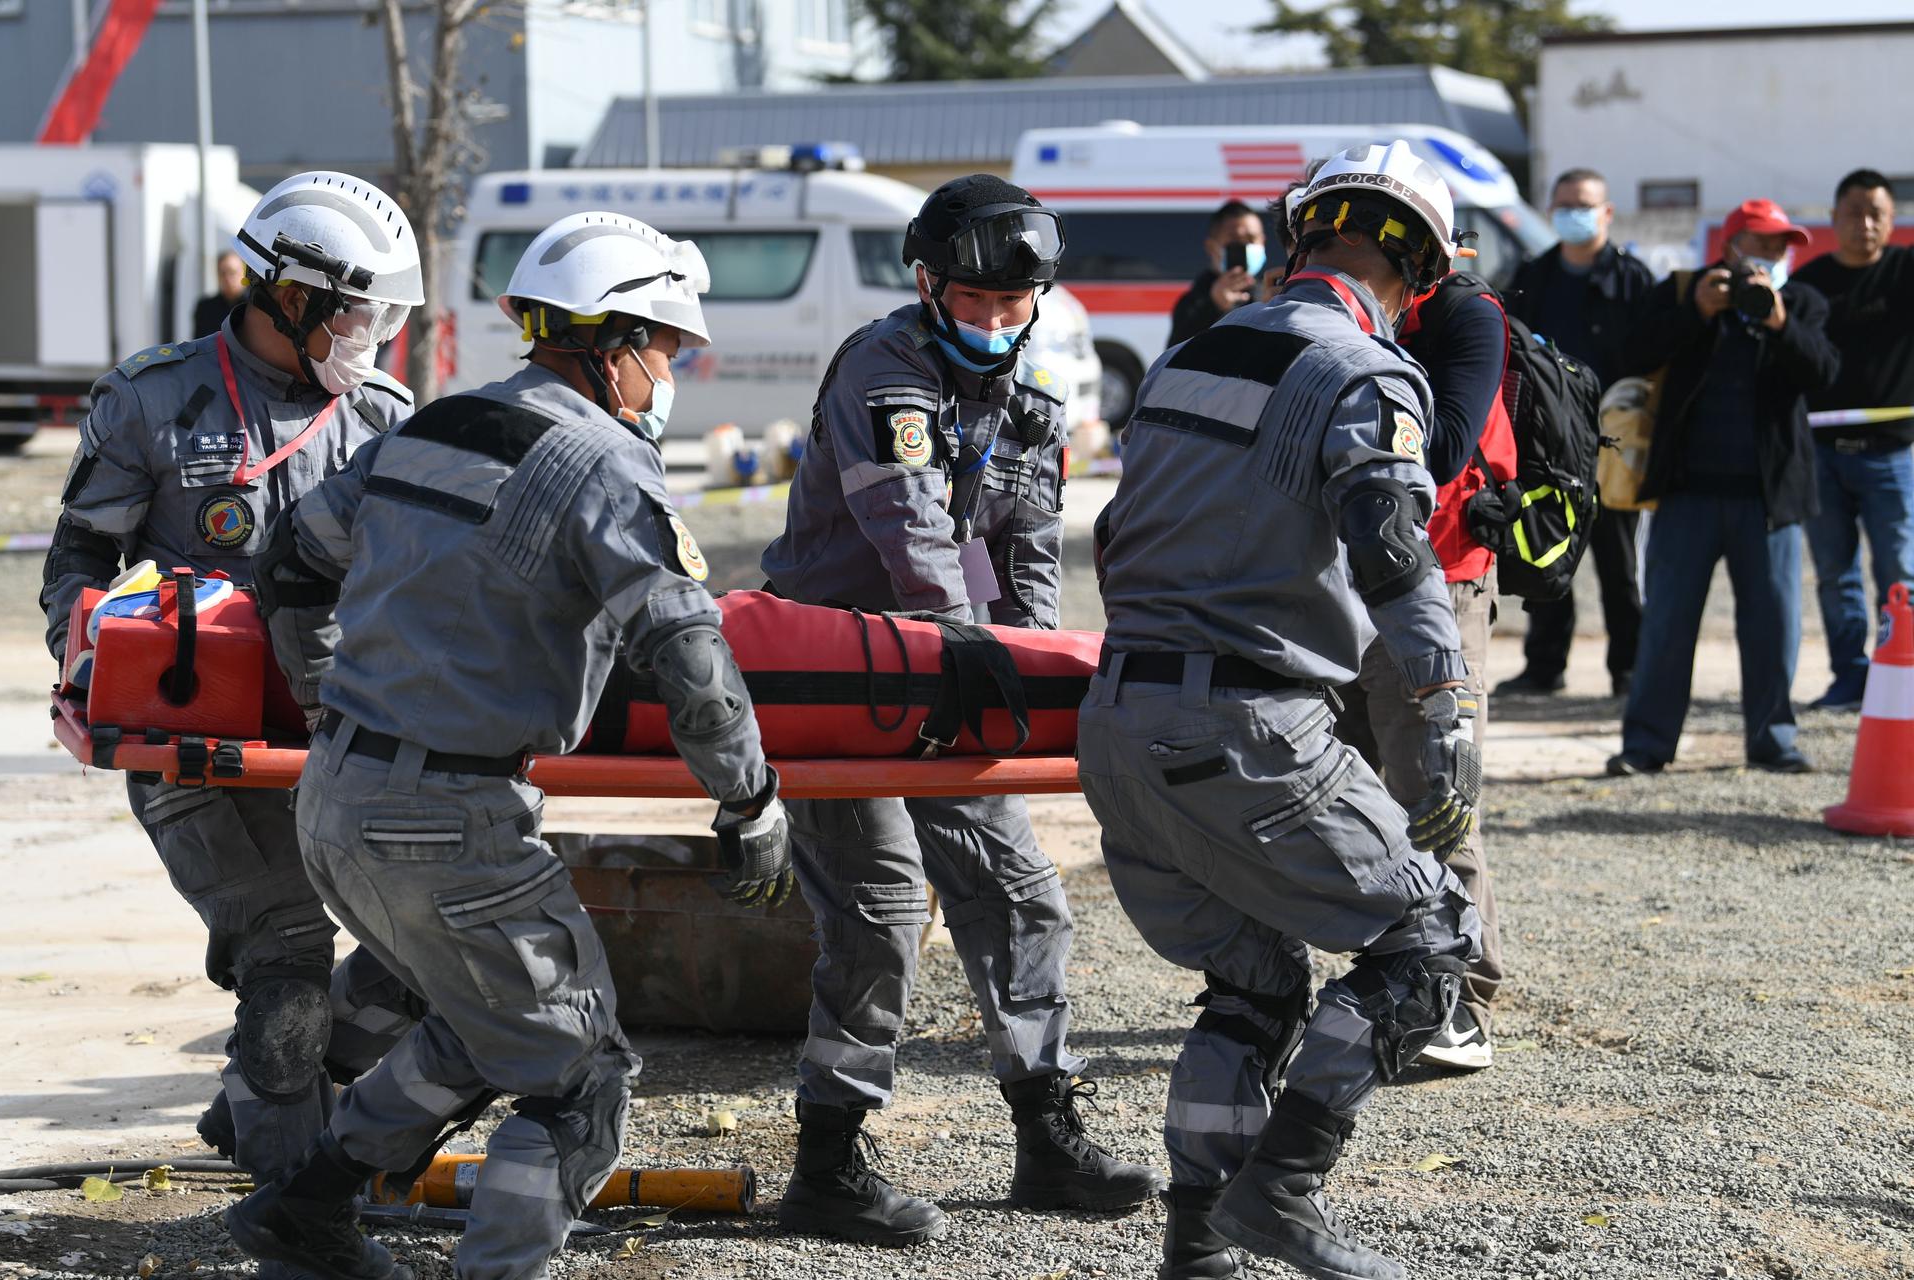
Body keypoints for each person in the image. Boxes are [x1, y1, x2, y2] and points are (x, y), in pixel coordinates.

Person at [226, 211, 792, 1280]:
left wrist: (324, 697)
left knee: (486, 1019)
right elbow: (686, 644)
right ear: (609, 342)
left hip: (338, 798)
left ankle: (304, 1207)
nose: (671, 373)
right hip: (448, 819)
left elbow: (295, 554)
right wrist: (749, 799)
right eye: (665, 347)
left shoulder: (436, 424)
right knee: (580, 1079)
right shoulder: (603, 462)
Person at [1080, 139, 1483, 1280]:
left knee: (1255, 977)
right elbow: (1393, 548)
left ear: (1302, 234)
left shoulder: (1191, 355)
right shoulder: (1361, 371)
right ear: (1415, 266)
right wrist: (1442, 705)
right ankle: (1282, 1190)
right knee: (1425, 937)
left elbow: (1117, 536)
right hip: (1242, 725)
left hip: (1119, 724)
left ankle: (1195, 1240)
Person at [760, 174, 1161, 1247]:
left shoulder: (1029, 401)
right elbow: (910, 527)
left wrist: (1028, 674)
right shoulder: (881, 369)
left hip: (953, 671)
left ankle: (1045, 1131)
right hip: (837, 670)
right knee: (881, 907)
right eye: (974, 300)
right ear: (929, 284)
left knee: (1021, 892)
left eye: (1014, 303)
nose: (993, 321)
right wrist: (967, 635)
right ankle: (829, 1156)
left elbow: (1030, 552)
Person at [36, 172, 428, 1249]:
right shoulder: (156, 399)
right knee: (287, 949)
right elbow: (80, 555)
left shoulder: (385, 417)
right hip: (193, 741)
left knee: (418, 947)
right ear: (287, 297)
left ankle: (263, 1090)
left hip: (339, 732)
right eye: (356, 311)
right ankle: (299, 1222)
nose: (371, 335)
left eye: (383, 314)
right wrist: (86, 645)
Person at [1335, 260, 1512, 1073]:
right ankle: (1393, 977)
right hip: (1335, 584)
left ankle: (1463, 1001)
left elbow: (1439, 453)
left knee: (1435, 785)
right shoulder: (1315, 302)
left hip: (1438, 577)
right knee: (1339, 795)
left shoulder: (1462, 318)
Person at [1608, 199, 1839, 777]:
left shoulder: (1801, 301)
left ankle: (1772, 740)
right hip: (1686, 493)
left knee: (1774, 625)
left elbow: (1826, 372)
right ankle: (1647, 744)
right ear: (1731, 247)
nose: (1774, 258)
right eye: (1763, 245)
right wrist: (1696, 312)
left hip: (1768, 499)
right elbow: (1629, 356)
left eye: (1782, 248)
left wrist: (1780, 324)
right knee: (1667, 623)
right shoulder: (1683, 292)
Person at [1502, 168, 1655, 697]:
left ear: (1607, 212)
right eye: (1564, 204)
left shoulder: (1634, 281)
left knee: (1620, 567)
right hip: (1550, 447)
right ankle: (1544, 667)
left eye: (1584, 204)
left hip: (1614, 446)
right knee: (1546, 553)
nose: (1573, 213)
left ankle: (1629, 669)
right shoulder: (1532, 276)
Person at [1795, 169, 1914, 709]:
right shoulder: (1810, 283)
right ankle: (1851, 676)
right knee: (1834, 573)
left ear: (1892, 221)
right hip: (1820, 453)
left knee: (1898, 570)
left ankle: (1902, 675)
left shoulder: (1907, 272)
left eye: (1876, 214)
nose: (1864, 224)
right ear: (1834, 218)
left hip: (1892, 451)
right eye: (1853, 213)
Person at [1168, 200, 1269, 346]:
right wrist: (1214, 307)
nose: (1245, 247)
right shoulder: (1193, 302)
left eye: (1251, 239)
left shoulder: (1270, 294)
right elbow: (1174, 353)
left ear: (1263, 242)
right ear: (1211, 247)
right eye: (1234, 241)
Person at [194, 250, 247, 339]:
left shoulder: (254, 305)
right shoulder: (206, 307)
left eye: (232, 272)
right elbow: (199, 343)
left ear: (243, 273)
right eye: (223, 273)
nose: (227, 278)